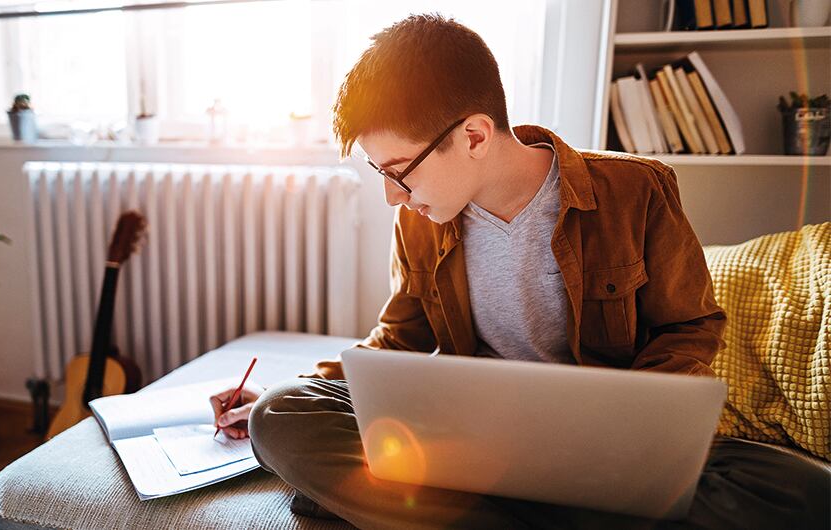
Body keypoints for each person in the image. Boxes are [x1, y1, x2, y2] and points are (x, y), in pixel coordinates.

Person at [208, 13, 829, 530]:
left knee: (798, 490)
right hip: (471, 444)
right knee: (282, 415)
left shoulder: (635, 190)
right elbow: (398, 342)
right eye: (381, 174)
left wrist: (634, 425)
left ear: (475, 135)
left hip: (603, 447)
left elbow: (690, 326)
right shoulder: (421, 220)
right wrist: (309, 385)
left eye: (400, 170)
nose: (393, 197)